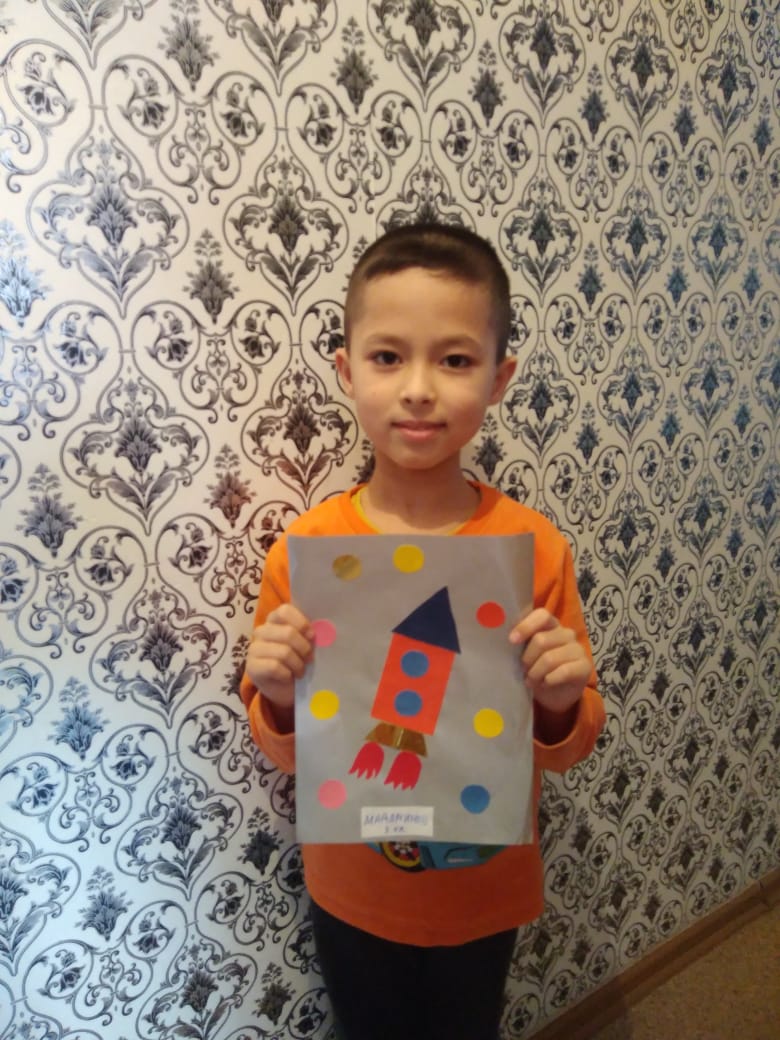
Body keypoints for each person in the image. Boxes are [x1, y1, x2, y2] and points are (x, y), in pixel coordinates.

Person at [240, 223, 605, 1040]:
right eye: (386, 356)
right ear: (346, 371)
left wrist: (558, 700)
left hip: (482, 885)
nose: (417, 389)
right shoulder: (306, 552)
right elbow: (290, 751)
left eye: (455, 359)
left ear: (500, 378)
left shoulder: (534, 549)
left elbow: (569, 743)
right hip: (352, 886)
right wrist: (277, 694)